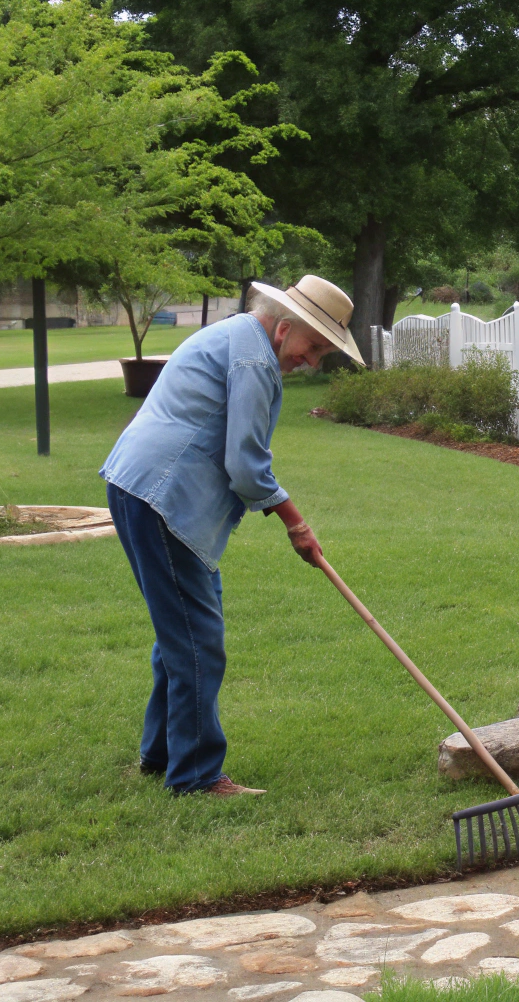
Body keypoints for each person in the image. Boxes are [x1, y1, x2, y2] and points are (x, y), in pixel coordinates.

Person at [100, 276, 362, 796]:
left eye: (323, 355)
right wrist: (296, 523)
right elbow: (245, 466)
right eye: (313, 349)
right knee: (198, 640)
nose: (312, 363)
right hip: (162, 496)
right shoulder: (255, 360)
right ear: (286, 328)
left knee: (182, 632)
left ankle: (162, 754)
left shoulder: (236, 335)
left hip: (140, 487)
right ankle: (196, 777)